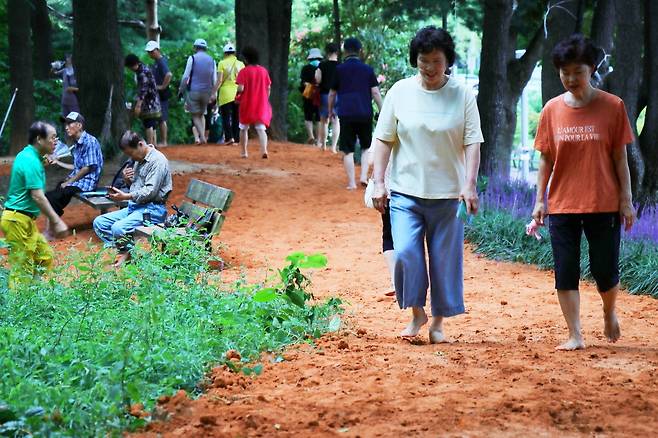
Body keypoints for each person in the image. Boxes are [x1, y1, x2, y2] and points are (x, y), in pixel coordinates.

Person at [371, 26, 483, 344]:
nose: (430, 67)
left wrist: (470, 184)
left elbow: (473, 142)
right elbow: (382, 140)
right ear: (415, 60)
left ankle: (438, 324)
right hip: (405, 191)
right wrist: (379, 183)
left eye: (436, 60)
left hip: (449, 194)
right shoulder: (399, 92)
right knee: (405, 252)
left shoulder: (462, 95)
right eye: (423, 60)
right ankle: (416, 313)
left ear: (447, 61)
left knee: (444, 260)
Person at [531, 34, 635, 351]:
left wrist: (626, 200)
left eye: (578, 71)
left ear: (591, 69)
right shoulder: (551, 110)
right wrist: (540, 200)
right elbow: (546, 158)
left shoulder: (613, 107)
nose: (571, 78)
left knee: (605, 270)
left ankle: (608, 311)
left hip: (602, 202)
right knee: (565, 271)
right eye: (565, 72)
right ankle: (575, 334)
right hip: (562, 204)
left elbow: (620, 158)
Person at [1, 122, 68, 289]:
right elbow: (38, 196)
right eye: (52, 137)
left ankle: (33, 295)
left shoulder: (29, 155)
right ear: (39, 139)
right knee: (22, 270)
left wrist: (43, 160)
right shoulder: (31, 161)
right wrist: (56, 221)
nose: (56, 141)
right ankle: (19, 308)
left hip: (25, 220)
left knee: (44, 256)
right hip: (17, 220)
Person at [93, 131, 172, 267]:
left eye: (131, 153)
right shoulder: (139, 160)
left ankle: (126, 252)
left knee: (118, 228)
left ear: (140, 144)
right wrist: (127, 180)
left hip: (152, 210)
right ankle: (128, 251)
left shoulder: (157, 161)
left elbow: (150, 192)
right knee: (100, 223)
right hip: (136, 207)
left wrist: (125, 196)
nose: (131, 158)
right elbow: (136, 189)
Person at [329, 37, 383, 190]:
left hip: (346, 113)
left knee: (347, 149)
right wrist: (383, 110)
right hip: (365, 112)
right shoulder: (367, 70)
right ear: (360, 51)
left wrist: (331, 110)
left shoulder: (339, 69)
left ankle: (352, 183)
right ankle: (364, 177)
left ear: (345, 51)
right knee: (366, 146)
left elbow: (332, 93)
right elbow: (375, 92)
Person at [45, 112, 103, 234]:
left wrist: (69, 182)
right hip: (79, 182)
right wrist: (59, 163)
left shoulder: (90, 141)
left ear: (79, 125)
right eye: (65, 124)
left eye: (69, 123)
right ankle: (53, 225)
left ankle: (54, 228)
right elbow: (77, 167)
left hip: (87, 184)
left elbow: (87, 168)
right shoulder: (77, 144)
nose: (66, 127)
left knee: (53, 196)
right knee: (56, 190)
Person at [178, 39, 218, 145]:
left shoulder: (192, 58)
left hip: (194, 92)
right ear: (205, 48)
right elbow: (214, 79)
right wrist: (214, 94)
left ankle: (202, 138)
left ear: (195, 48)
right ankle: (202, 137)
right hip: (207, 92)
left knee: (195, 116)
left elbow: (186, 76)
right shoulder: (212, 60)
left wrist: (181, 89)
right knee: (203, 114)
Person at [235, 46, 272, 159]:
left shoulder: (244, 72)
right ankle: (264, 150)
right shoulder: (263, 71)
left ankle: (244, 152)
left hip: (247, 103)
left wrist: (237, 95)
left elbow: (241, 88)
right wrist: (265, 98)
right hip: (261, 103)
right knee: (261, 128)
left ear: (246, 59)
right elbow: (268, 87)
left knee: (243, 128)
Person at [125, 54, 162, 146]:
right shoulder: (144, 68)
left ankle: (150, 145)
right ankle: (154, 144)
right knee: (152, 124)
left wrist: (138, 106)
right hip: (153, 100)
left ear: (133, 65)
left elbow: (143, 90)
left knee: (148, 123)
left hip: (149, 102)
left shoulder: (142, 73)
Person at [145, 40, 173, 147]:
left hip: (162, 93)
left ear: (157, 50)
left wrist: (162, 86)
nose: (150, 54)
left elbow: (169, 74)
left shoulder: (161, 61)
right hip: (157, 94)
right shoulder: (156, 62)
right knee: (158, 117)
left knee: (162, 118)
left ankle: (164, 141)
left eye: (152, 51)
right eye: (149, 52)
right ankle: (156, 142)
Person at [315, 43, 341, 153]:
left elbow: (318, 79)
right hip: (338, 95)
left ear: (327, 52)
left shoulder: (322, 65)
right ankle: (334, 147)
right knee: (335, 120)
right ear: (337, 52)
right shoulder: (341, 65)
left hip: (325, 94)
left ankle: (324, 145)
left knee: (324, 120)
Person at [217, 43, 245, 145]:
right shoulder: (241, 64)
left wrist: (213, 92)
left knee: (225, 117)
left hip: (225, 94)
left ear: (225, 53)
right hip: (238, 93)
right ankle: (237, 139)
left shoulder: (222, 63)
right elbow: (243, 81)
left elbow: (219, 81)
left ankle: (229, 138)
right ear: (234, 53)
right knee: (236, 117)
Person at [300, 48, 322, 146]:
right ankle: (318, 140)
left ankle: (311, 136)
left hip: (308, 94)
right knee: (319, 118)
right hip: (319, 94)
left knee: (308, 116)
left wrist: (310, 87)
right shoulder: (322, 67)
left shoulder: (305, 68)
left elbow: (303, 82)